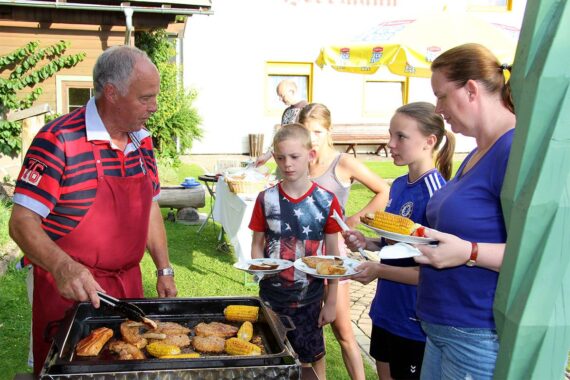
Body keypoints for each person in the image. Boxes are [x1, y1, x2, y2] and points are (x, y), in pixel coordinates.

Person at [8, 45, 177, 375]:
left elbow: (150, 207)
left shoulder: (142, 141)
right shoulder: (59, 140)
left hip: (127, 284)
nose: (154, 107)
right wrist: (62, 267)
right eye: (145, 98)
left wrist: (164, 268)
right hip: (70, 288)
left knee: (128, 366)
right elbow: (21, 222)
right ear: (112, 93)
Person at [413, 43, 516, 379]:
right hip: (443, 328)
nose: (438, 108)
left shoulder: (513, 149)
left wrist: (469, 252)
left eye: (441, 96)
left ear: (471, 89)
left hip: (476, 333)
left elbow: (538, 253)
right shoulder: (477, 153)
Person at [344, 102, 455, 379]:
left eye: (401, 137)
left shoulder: (437, 195)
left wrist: (378, 270)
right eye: (390, 134)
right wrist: (367, 242)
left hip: (413, 319)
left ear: (429, 142)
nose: (390, 143)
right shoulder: (399, 184)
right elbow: (396, 245)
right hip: (386, 310)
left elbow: (431, 271)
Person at [298, 102, 390, 380]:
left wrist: (355, 220)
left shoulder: (343, 162)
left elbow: (383, 189)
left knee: (344, 332)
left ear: (329, 131)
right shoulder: (299, 160)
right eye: (306, 131)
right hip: (303, 256)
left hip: (333, 255)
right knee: (311, 332)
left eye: (317, 131)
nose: (312, 138)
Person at [249, 123, 342, 379]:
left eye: (294, 157)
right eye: (280, 158)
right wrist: (260, 269)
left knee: (312, 361)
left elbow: (335, 257)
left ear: (310, 155)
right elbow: (257, 242)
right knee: (271, 358)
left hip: (309, 298)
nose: (287, 164)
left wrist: (331, 301)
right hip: (271, 297)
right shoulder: (265, 199)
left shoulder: (326, 201)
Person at [255, 79, 308, 167]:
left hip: (300, 163)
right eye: (279, 96)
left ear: (292, 91)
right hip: (285, 160)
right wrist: (266, 157)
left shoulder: (307, 110)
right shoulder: (287, 111)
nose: (280, 99)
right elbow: (280, 137)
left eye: (282, 95)